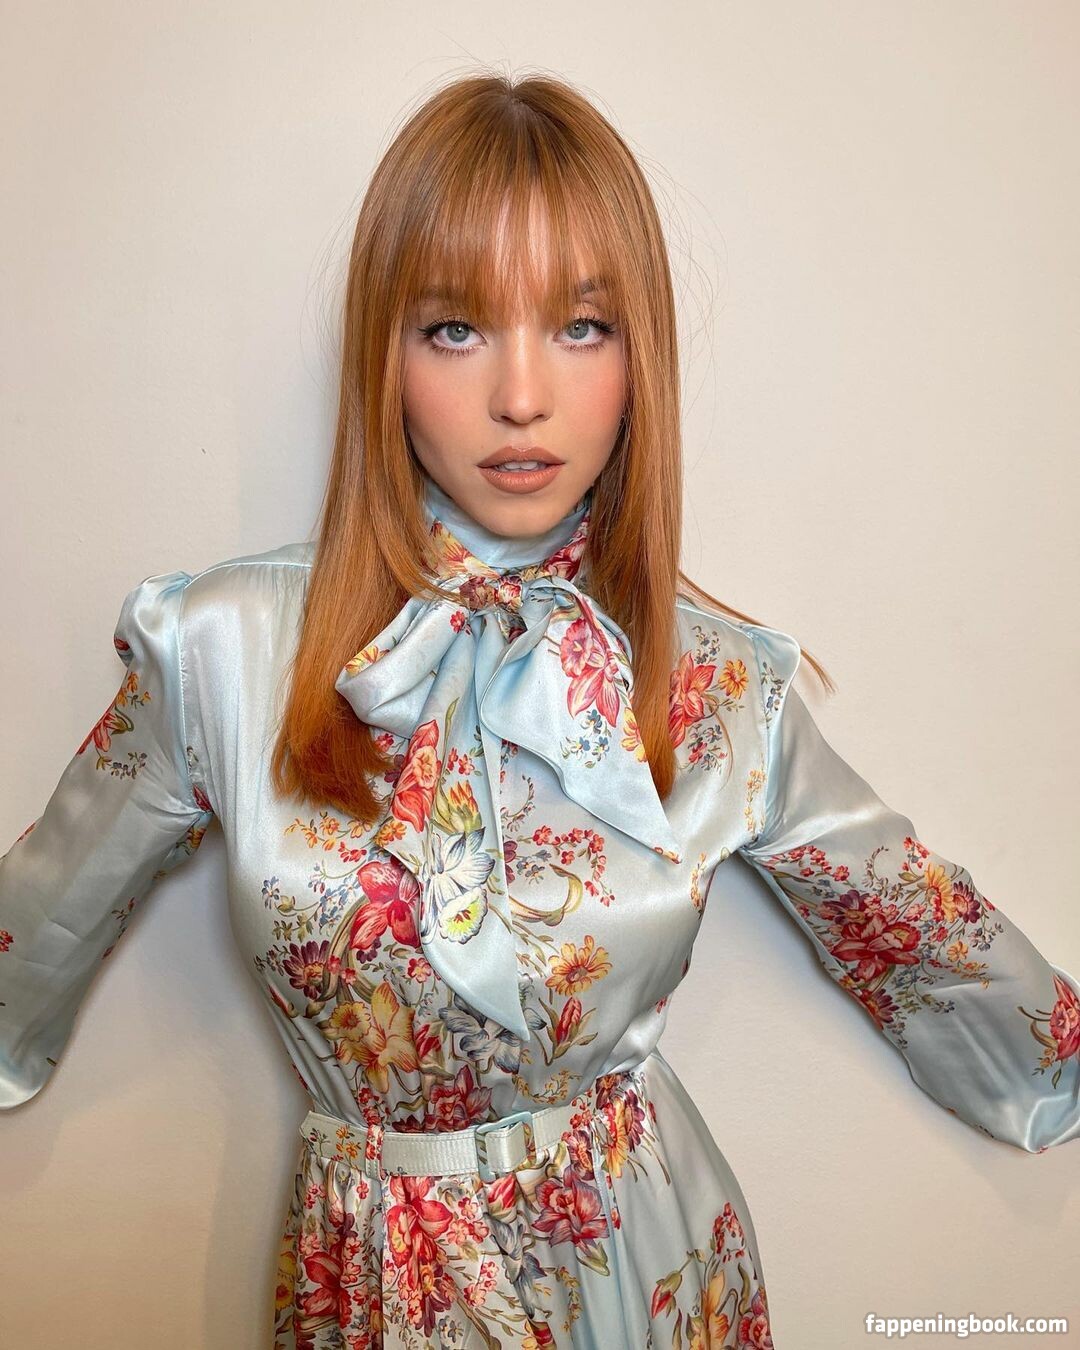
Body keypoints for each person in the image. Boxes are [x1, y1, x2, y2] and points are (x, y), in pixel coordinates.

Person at [2, 70, 1077, 1349]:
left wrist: (1046, 1067)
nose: (522, 396)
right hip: (371, 1285)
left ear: (639, 356)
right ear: (385, 351)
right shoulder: (225, 650)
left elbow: (918, 926)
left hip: (647, 1269)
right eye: (456, 328)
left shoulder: (719, 686)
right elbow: (42, 914)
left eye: (581, 327)